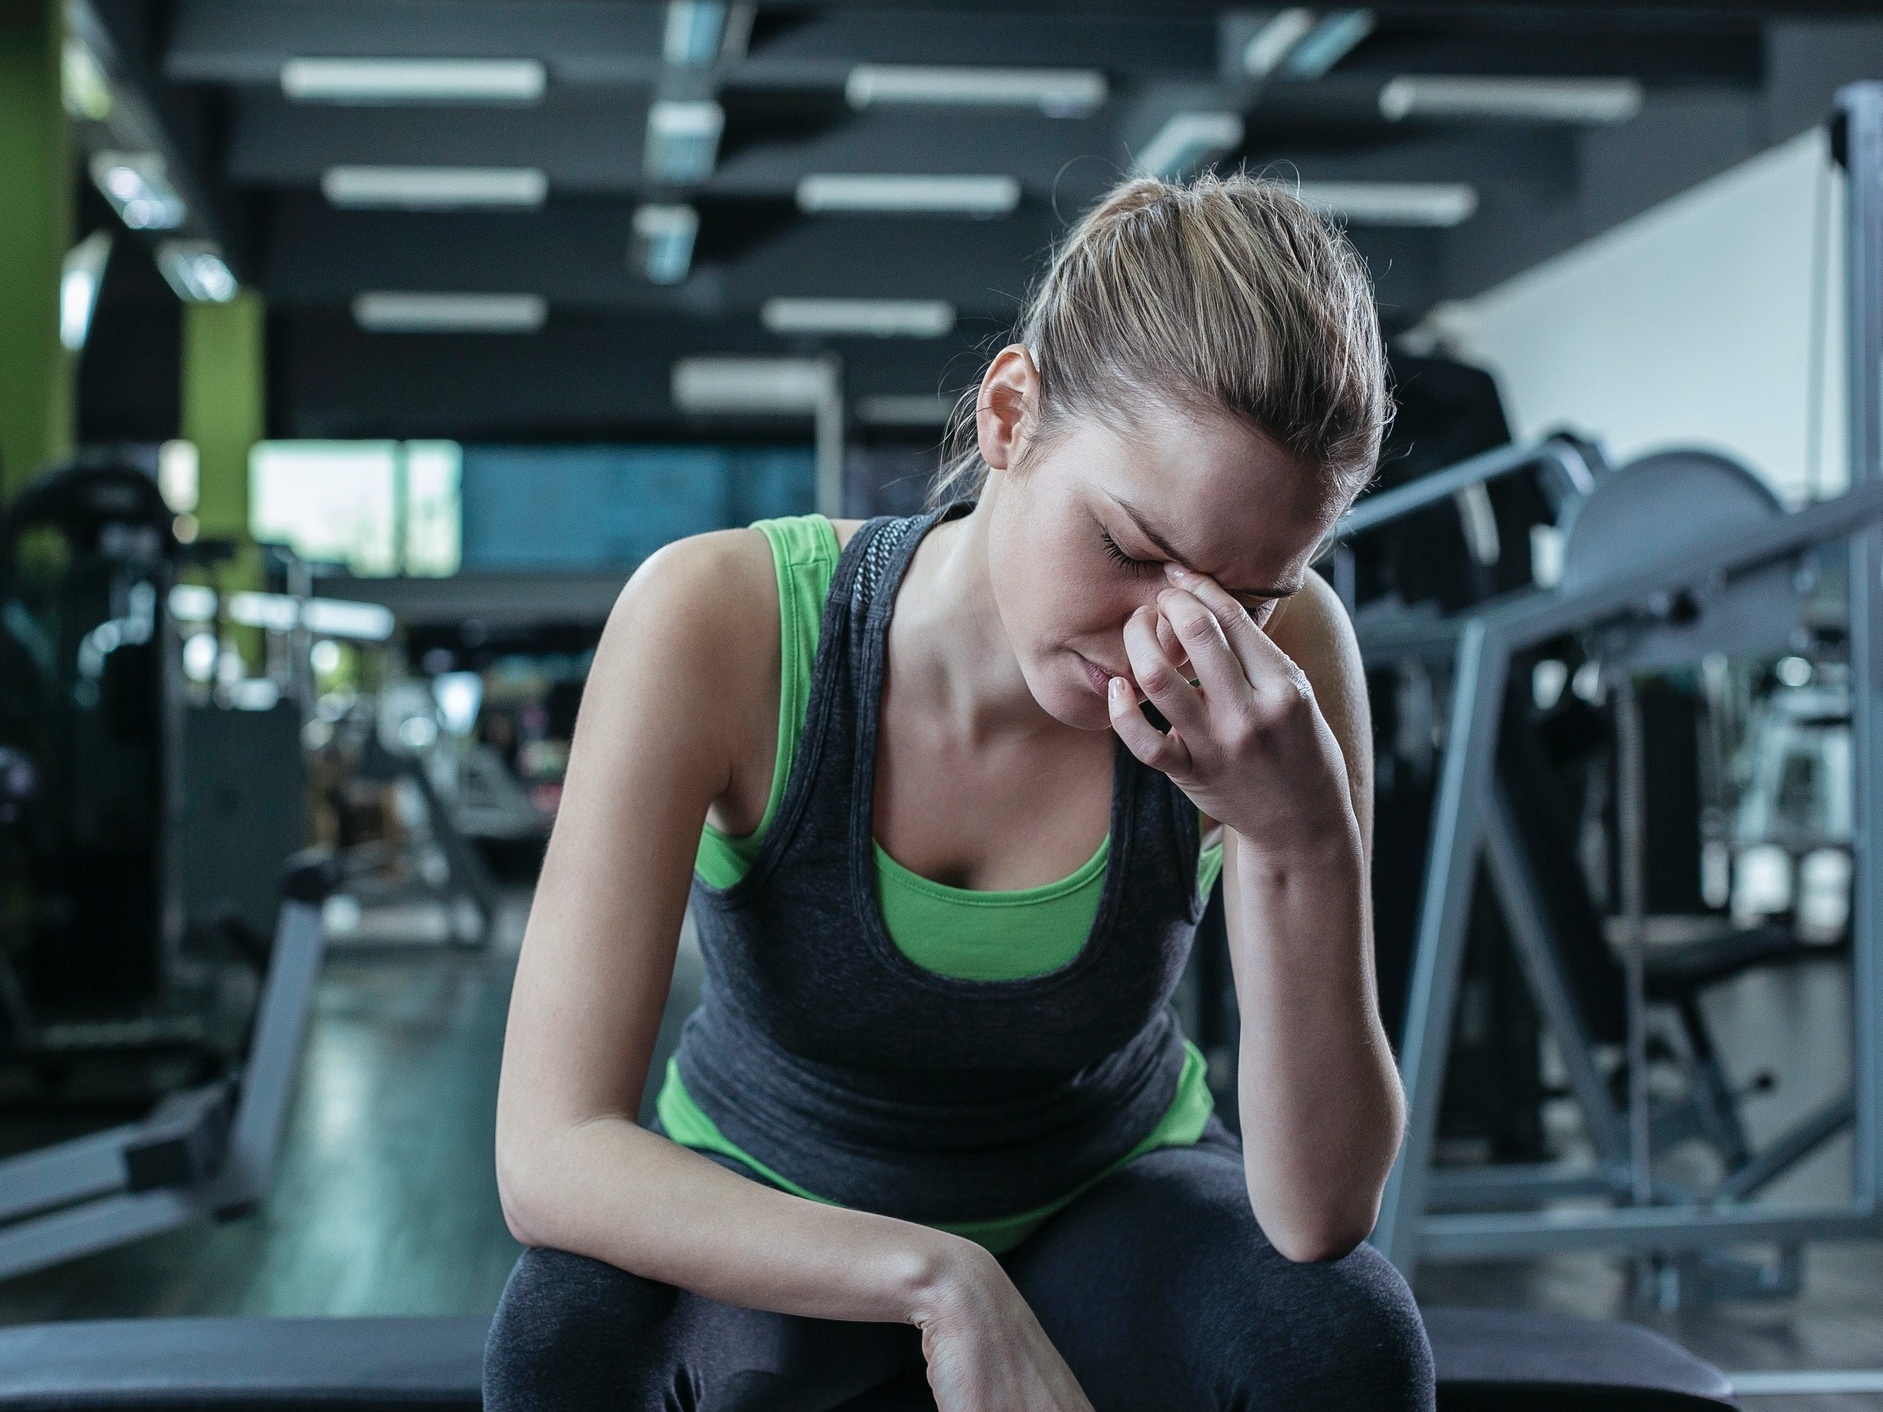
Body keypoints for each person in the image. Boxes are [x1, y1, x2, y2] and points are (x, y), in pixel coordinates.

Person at [486, 172, 1432, 1412]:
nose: (1171, 640)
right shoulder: (719, 620)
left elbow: (1317, 1212)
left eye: (1244, 595)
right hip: (771, 1186)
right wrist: (939, 1277)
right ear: (1007, 415)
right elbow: (549, 1153)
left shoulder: (1283, 667)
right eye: (1131, 550)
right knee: (567, 1341)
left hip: (1110, 1192)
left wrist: (1301, 834)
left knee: (1337, 1335)